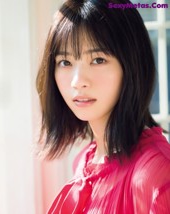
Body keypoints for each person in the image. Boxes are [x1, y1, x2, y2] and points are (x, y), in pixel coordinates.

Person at [36, 0, 170, 213]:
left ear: (131, 65)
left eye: (98, 59)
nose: (77, 81)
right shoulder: (85, 161)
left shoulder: (157, 173)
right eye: (65, 62)